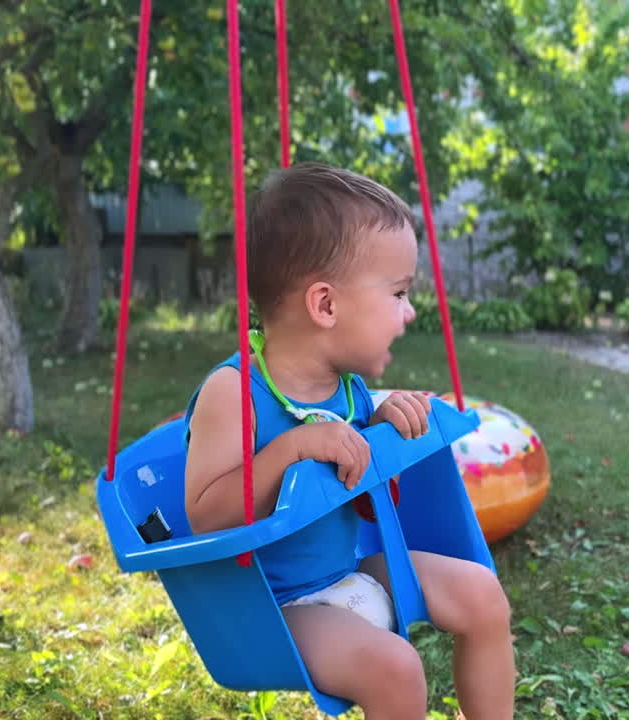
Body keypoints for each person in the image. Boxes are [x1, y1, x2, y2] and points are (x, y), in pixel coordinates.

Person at [183, 163, 515, 719]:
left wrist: (384, 419)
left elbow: (355, 475)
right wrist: (292, 449)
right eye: (399, 293)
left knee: (481, 594)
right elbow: (206, 517)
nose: (410, 312)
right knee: (397, 669)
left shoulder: (348, 389)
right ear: (326, 306)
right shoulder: (234, 392)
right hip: (277, 605)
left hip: (346, 568)